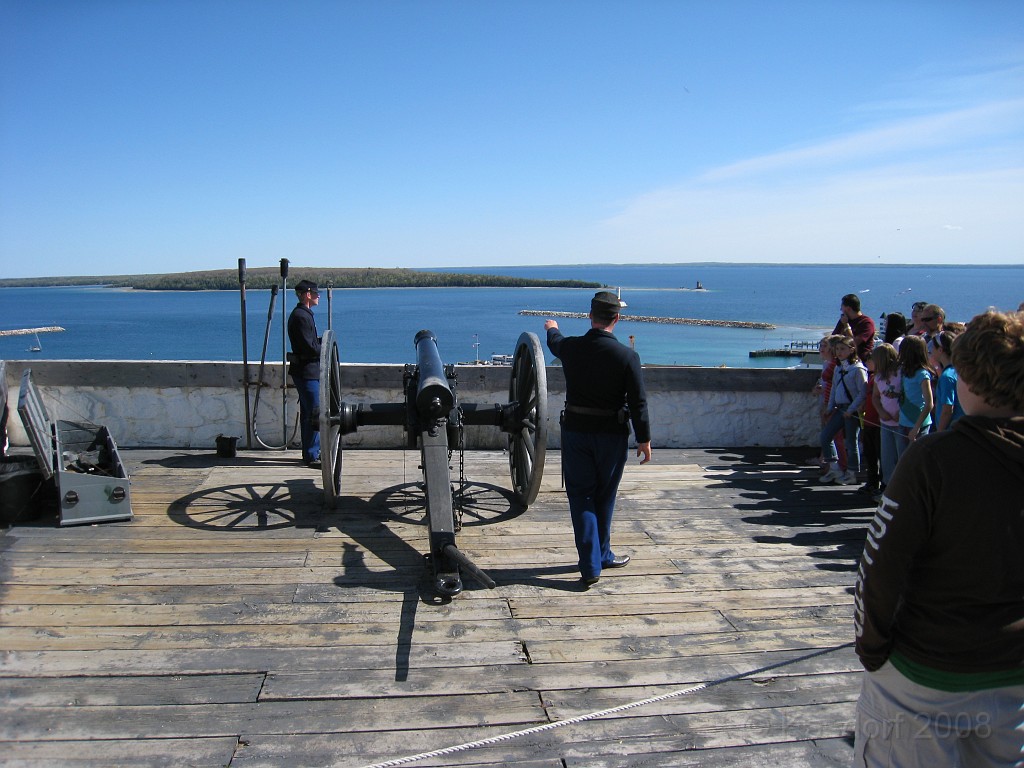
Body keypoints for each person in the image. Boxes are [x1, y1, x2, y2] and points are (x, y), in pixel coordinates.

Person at [853, 309, 1024, 768]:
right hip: (1012, 675)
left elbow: (880, 565)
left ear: (964, 375)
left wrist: (871, 647)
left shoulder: (934, 459)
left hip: (925, 672)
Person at [544, 291, 652, 587]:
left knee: (581, 497)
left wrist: (552, 327)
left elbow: (555, 342)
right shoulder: (627, 356)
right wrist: (644, 439)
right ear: (616, 318)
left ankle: (593, 563)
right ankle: (601, 556)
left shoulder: (573, 348)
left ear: (590, 316)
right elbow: (638, 402)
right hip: (611, 435)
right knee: (605, 496)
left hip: (576, 432)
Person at [819, 336, 867, 485]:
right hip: (839, 409)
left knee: (851, 442)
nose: (839, 352)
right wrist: (830, 407)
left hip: (851, 410)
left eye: (843, 349)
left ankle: (852, 473)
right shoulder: (838, 368)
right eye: (837, 349)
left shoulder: (858, 369)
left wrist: (852, 410)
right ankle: (835, 467)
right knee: (826, 436)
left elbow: (862, 392)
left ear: (851, 350)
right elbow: (833, 387)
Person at [287, 279, 322, 468]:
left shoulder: (304, 314)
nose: (318, 296)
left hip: (307, 370)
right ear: (308, 294)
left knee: (310, 412)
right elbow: (309, 348)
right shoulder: (301, 316)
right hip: (306, 371)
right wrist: (322, 346)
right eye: (316, 293)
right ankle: (311, 454)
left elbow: (309, 342)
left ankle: (311, 451)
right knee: (314, 413)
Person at [893, 335, 933, 463]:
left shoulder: (922, 374)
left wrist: (916, 428)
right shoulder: (905, 371)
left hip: (917, 424)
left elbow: (929, 404)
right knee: (902, 461)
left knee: (915, 462)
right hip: (903, 421)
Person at [869, 343, 901, 501]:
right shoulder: (878, 377)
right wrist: (882, 412)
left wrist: (899, 414)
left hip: (901, 423)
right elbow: (875, 396)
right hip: (885, 422)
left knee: (900, 457)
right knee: (886, 458)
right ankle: (887, 488)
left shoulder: (901, 374)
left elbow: (907, 395)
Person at [930, 329, 964, 431]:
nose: (931, 351)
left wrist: (939, 433)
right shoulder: (960, 370)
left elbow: (947, 410)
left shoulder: (947, 376)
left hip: (950, 431)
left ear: (940, 350)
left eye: (933, 348)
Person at [833, 293, 876, 363]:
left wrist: (846, 326)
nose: (841, 309)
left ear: (848, 309)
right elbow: (833, 338)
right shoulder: (844, 320)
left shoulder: (867, 323)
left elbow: (854, 343)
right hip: (842, 362)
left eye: (842, 307)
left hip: (860, 362)